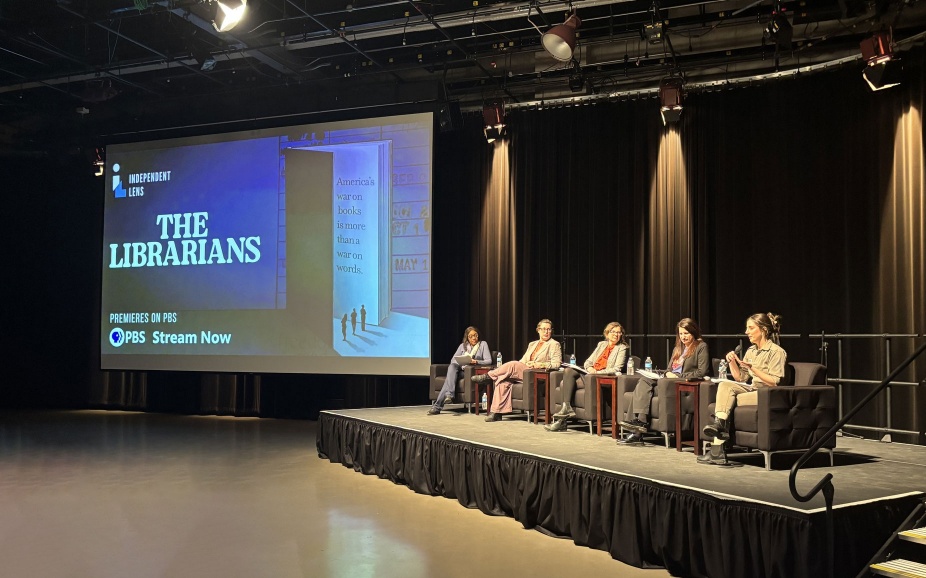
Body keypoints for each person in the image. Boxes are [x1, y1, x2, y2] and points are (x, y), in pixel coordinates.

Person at [699, 312, 787, 465]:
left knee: (731, 399)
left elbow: (774, 381)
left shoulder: (776, 352)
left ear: (763, 330)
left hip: (767, 393)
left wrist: (753, 368)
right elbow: (740, 378)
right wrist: (732, 362)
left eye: (751, 328)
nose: (747, 332)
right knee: (725, 385)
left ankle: (717, 449)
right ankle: (719, 427)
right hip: (752, 388)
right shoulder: (751, 350)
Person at [618, 318, 709, 445]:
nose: (683, 337)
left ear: (693, 332)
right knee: (644, 380)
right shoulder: (678, 348)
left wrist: (677, 376)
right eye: (681, 334)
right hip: (668, 380)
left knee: (644, 388)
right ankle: (639, 425)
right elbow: (669, 369)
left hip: (682, 383)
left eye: (686, 333)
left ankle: (637, 431)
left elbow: (701, 372)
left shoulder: (701, 346)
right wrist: (666, 373)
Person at [544, 322, 628, 432]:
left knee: (564, 384)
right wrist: (589, 368)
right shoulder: (602, 344)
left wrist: (597, 372)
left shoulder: (622, 348)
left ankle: (562, 421)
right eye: (613, 332)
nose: (616, 335)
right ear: (607, 333)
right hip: (590, 373)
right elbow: (588, 361)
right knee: (569, 370)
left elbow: (616, 369)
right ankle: (566, 408)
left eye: (619, 332)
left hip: (601, 377)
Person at [472, 319, 562, 422]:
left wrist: (539, 364)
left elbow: (556, 364)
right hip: (525, 371)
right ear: (538, 330)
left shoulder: (554, 344)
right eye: (544, 329)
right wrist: (522, 365)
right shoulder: (532, 344)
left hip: (538, 374)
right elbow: (523, 361)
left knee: (513, 364)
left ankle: (489, 377)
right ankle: (496, 413)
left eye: (549, 329)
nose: (546, 332)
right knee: (503, 380)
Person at [428, 326, 492, 415]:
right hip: (461, 370)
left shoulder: (483, 344)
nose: (474, 338)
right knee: (452, 366)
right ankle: (448, 396)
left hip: (472, 372)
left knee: (449, 380)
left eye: (475, 335)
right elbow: (453, 360)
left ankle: (438, 405)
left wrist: (476, 361)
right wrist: (461, 362)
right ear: (467, 337)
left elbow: (489, 360)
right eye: (471, 336)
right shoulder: (463, 346)